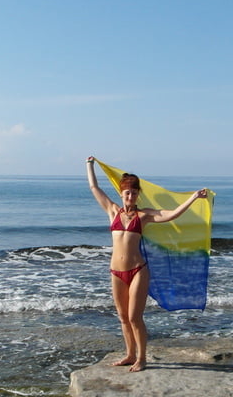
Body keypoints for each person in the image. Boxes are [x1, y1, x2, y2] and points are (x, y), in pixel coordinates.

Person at [87, 157, 209, 372]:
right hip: (116, 272)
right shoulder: (112, 211)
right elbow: (93, 187)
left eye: (134, 193)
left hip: (138, 271)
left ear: (138, 195)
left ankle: (142, 358)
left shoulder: (144, 215)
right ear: (122, 194)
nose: (131, 196)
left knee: (135, 317)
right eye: (127, 192)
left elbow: (171, 215)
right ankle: (129, 354)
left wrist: (193, 198)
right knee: (123, 317)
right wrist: (90, 166)